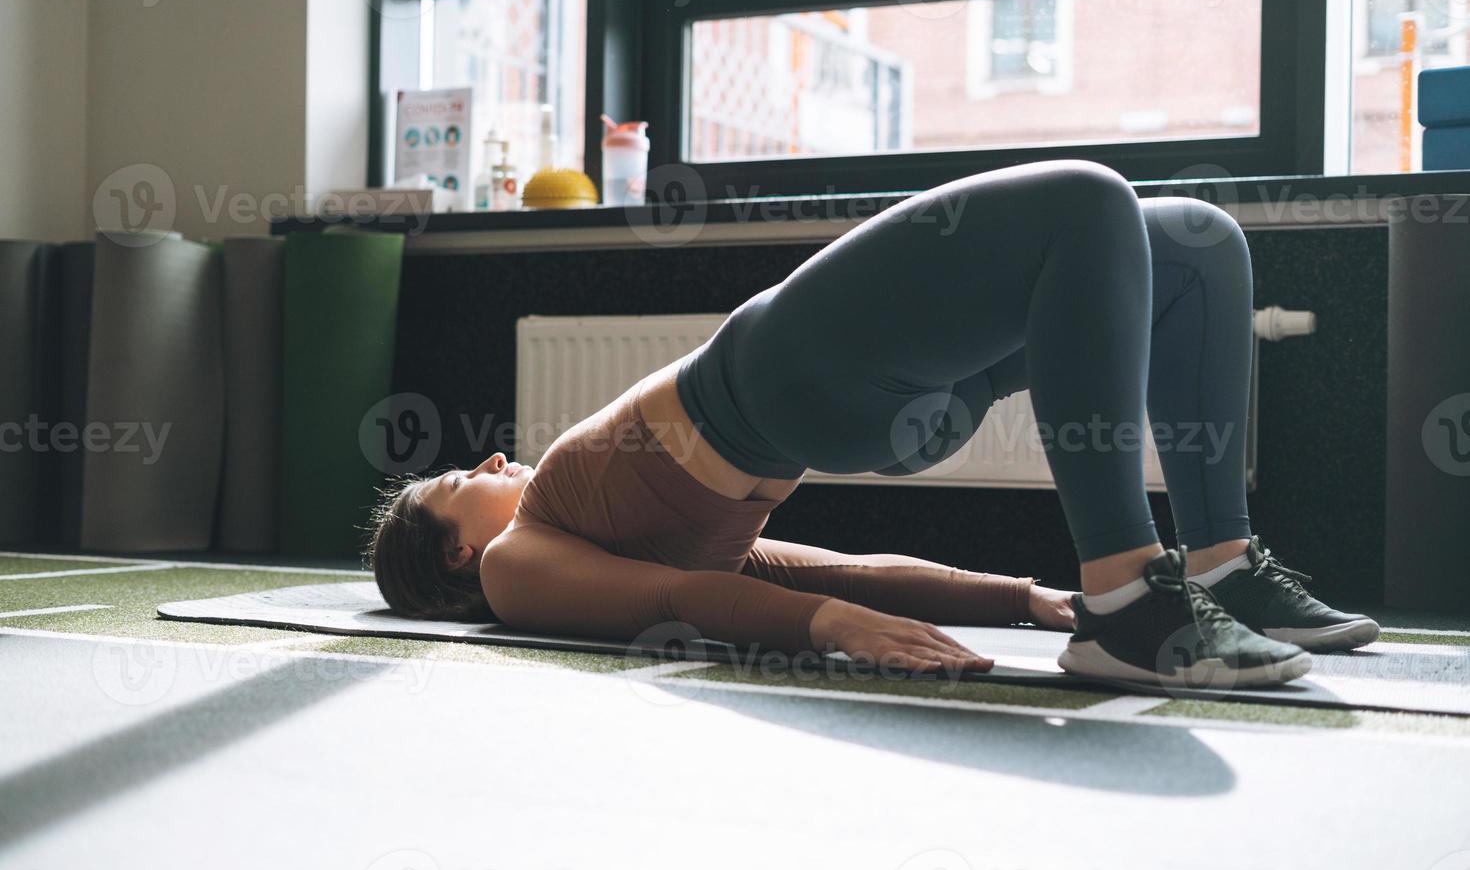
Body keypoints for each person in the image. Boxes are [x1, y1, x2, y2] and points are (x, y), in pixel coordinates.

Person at [367, 159, 1379, 688]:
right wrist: (826, 632)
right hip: (789, 371)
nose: (492, 459)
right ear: (457, 552)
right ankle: (1132, 596)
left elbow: (830, 568)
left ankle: (1218, 560)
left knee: (1196, 245)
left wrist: (1026, 598)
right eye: (463, 478)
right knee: (1084, 200)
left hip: (872, 408)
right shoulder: (517, 561)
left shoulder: (594, 526)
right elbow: (679, 598)